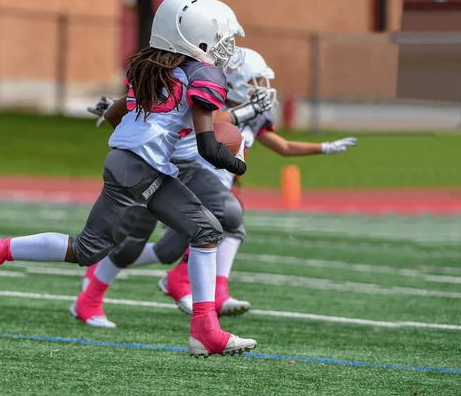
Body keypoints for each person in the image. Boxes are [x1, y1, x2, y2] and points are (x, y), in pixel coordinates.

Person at [0, 0, 257, 358]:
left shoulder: (156, 69)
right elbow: (208, 146)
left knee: (205, 231)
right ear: (193, 34)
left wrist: (135, 147)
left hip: (138, 167)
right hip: (138, 171)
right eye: (218, 36)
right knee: (88, 249)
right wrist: (236, 163)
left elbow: (116, 113)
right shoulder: (201, 74)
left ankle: (205, 330)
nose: (223, 45)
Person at [76, 47, 357, 325]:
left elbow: (280, 145)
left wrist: (325, 147)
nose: (259, 90)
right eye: (253, 83)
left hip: (193, 176)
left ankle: (198, 291)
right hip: (163, 167)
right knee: (134, 245)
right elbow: (206, 120)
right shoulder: (207, 92)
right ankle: (94, 295)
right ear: (234, 81)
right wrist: (244, 112)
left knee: (214, 227)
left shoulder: (252, 112)